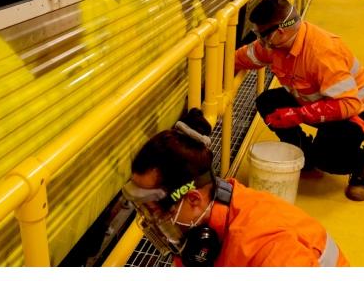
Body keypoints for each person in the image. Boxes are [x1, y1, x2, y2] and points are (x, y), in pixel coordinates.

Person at [123, 108, 348, 266]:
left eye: (155, 209)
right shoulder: (201, 225)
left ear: (192, 198)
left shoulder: (271, 250)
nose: (151, 220)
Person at [235, 0, 364, 201]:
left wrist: (298, 115)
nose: (261, 41)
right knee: (267, 102)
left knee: (328, 157)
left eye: (263, 36)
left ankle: (362, 165)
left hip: (359, 113)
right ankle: (305, 156)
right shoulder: (275, 46)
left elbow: (348, 104)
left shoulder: (321, 52)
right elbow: (244, 57)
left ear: (280, 31)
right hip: (319, 104)